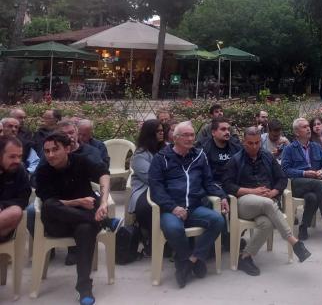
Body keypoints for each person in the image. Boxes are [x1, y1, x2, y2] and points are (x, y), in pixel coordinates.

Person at [34, 132, 119, 305]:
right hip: (58, 222)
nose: (50, 155)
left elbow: (103, 173)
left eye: (55, 150)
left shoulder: (80, 161)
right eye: (47, 151)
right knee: (50, 205)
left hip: (83, 220)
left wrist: (103, 203)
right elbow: (49, 201)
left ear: (67, 149)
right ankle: (104, 221)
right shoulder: (43, 171)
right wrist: (78, 202)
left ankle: (84, 288)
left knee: (86, 230)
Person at [148, 122, 228, 288]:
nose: (191, 138)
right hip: (171, 209)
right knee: (173, 228)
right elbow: (156, 189)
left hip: (195, 207)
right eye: (186, 135)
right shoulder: (161, 158)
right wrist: (173, 207)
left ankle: (190, 261)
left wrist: (222, 196)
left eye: (192, 135)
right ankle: (187, 260)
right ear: (175, 138)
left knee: (218, 221)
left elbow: (208, 182)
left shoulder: (199, 156)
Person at [222, 127, 311, 276]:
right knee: (268, 204)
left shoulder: (267, 156)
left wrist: (274, 192)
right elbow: (227, 185)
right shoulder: (236, 160)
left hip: (266, 201)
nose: (254, 146)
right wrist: (253, 191)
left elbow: (282, 178)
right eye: (250, 143)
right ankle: (294, 242)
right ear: (244, 142)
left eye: (257, 143)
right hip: (243, 203)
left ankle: (245, 257)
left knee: (267, 223)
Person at [281, 118, 322, 240]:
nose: (308, 129)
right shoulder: (289, 149)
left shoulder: (316, 146)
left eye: (308, 126)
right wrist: (304, 173)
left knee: (313, 197)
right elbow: (285, 170)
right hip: (297, 184)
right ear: (296, 132)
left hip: (314, 185)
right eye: (304, 127)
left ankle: (303, 227)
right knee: (318, 185)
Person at [128, 119, 166, 252]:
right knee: (146, 208)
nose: (162, 133)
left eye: (162, 130)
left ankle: (168, 238)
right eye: (158, 131)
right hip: (144, 189)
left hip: (164, 186)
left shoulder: (167, 149)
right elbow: (152, 179)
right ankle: (151, 239)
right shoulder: (140, 155)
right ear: (149, 133)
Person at [0, 137, 31, 242]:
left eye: (20, 156)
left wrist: (2, 205)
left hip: (4, 220)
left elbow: (23, 199)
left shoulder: (20, 170)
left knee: (16, 212)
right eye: (12, 157)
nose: (17, 161)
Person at [199, 117, 242, 185]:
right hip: (214, 185)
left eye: (228, 129)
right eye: (223, 129)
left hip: (235, 184)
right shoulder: (204, 149)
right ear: (213, 132)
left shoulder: (236, 146)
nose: (227, 132)